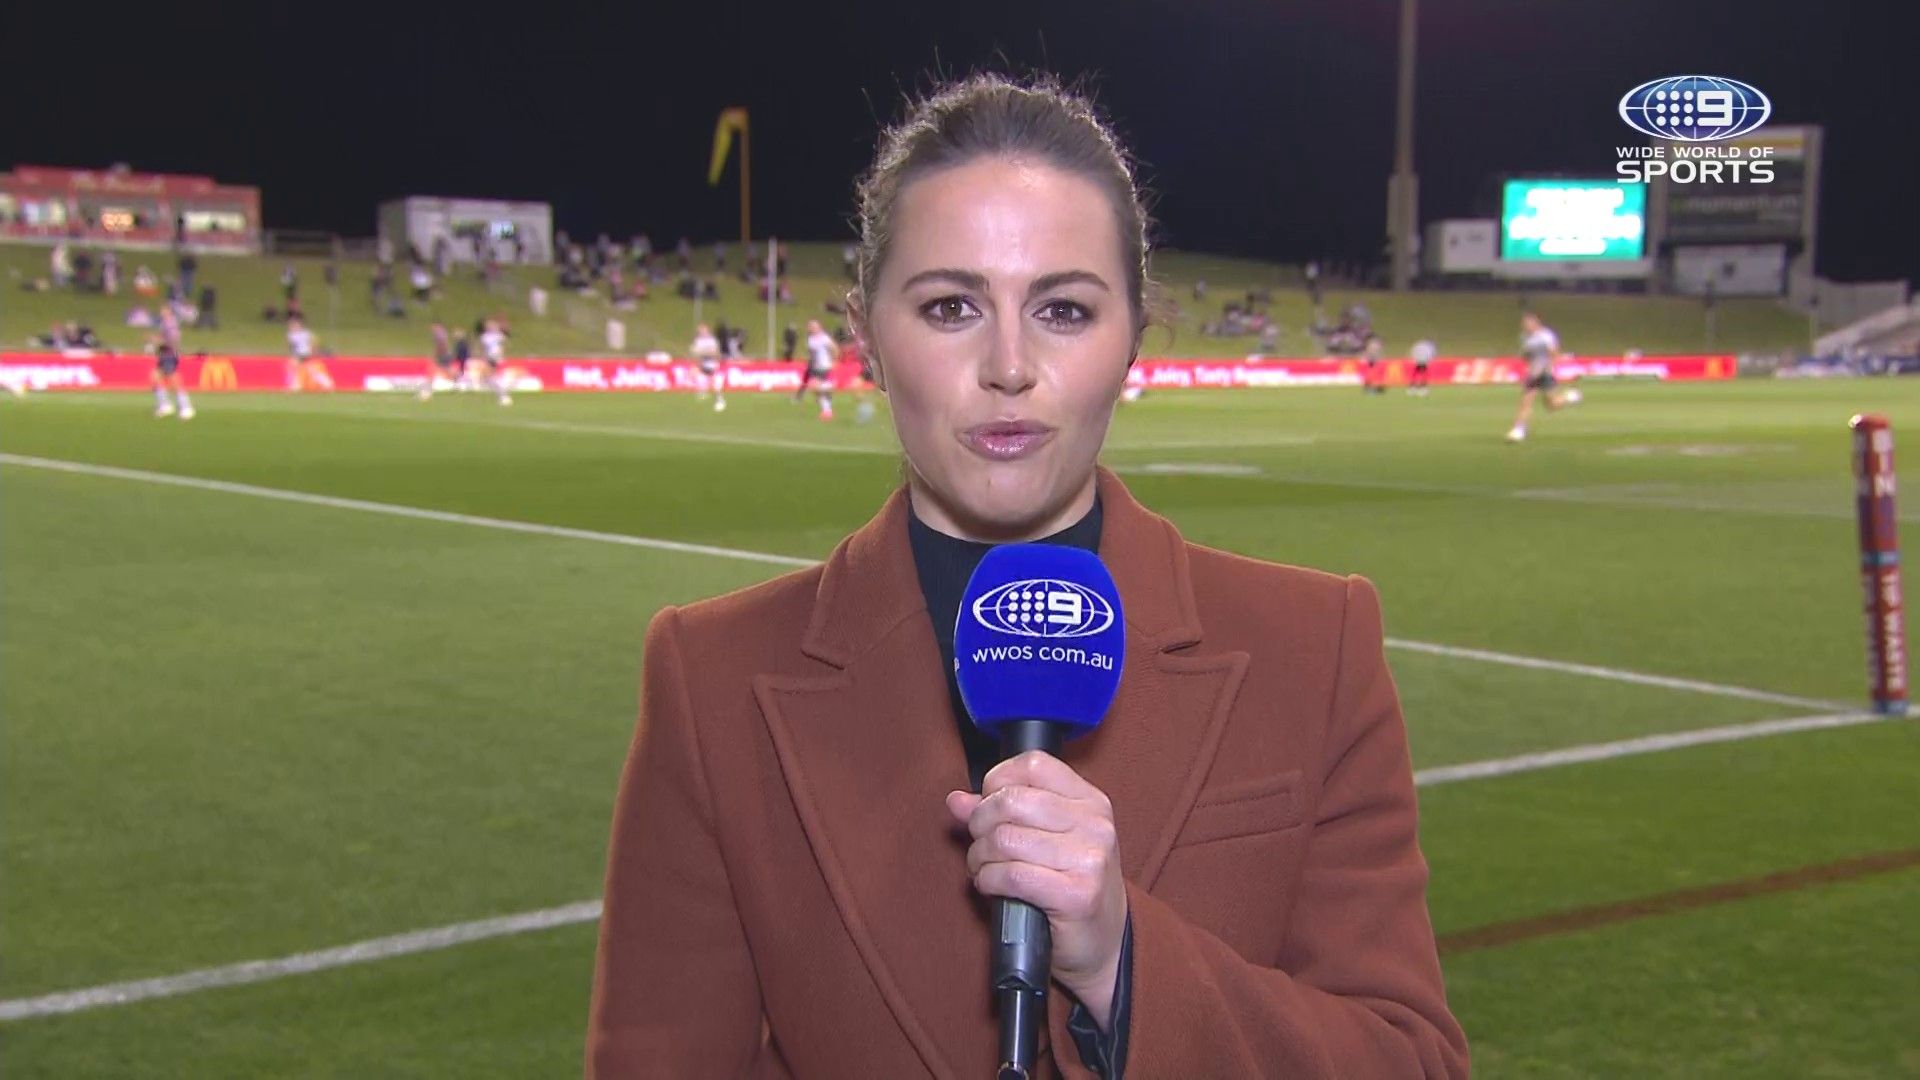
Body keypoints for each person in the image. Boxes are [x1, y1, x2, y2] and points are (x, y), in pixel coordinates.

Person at [587, 73, 1467, 1080]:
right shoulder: (708, 677)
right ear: (865, 334)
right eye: (951, 306)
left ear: (1136, 335)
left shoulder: (1316, 645)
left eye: (1063, 309)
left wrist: (1126, 967)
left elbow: (1410, 1062)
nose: (1009, 364)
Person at [1506, 312, 1583, 442]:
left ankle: (1569, 397)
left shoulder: (1546, 335)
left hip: (1546, 373)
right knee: (1526, 401)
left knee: (1552, 405)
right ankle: (1519, 429)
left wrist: (1548, 366)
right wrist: (1528, 364)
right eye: (1524, 324)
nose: (1526, 326)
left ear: (1536, 323)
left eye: (1528, 324)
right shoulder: (1524, 337)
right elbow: (1526, 355)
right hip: (1533, 373)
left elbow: (1554, 352)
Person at [799, 318, 837, 419]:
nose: (812, 328)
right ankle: (827, 409)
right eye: (810, 326)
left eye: (814, 326)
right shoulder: (810, 339)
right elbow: (812, 353)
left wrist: (834, 360)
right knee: (816, 389)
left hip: (824, 365)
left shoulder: (824, 338)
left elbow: (834, 348)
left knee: (815, 386)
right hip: (815, 366)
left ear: (819, 327)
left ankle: (827, 411)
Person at [150, 337, 194, 420]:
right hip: (165, 354)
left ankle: (185, 407)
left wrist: (157, 341)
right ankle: (165, 404)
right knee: (155, 377)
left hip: (169, 355)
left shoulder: (169, 330)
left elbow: (170, 341)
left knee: (173, 380)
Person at [286, 316, 333, 391]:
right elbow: (293, 347)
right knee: (296, 367)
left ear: (299, 325)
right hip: (300, 355)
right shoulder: (290, 335)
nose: (292, 327)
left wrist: (313, 351)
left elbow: (313, 343)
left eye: (294, 325)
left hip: (307, 354)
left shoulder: (306, 333)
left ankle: (326, 384)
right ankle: (295, 385)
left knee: (311, 369)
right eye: (291, 325)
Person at [479, 318, 512, 406]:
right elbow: (483, 348)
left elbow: (505, 342)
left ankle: (503, 395)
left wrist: (501, 354)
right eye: (489, 325)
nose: (490, 327)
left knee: (494, 376)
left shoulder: (498, 335)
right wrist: (483, 357)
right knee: (489, 377)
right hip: (489, 357)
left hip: (496, 357)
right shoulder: (484, 337)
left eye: (492, 325)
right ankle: (502, 394)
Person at [419, 322, 457, 400]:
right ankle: (455, 382)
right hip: (445, 355)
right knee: (446, 370)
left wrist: (435, 356)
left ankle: (427, 390)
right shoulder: (442, 334)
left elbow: (441, 346)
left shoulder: (439, 335)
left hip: (443, 356)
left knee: (433, 371)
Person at [691, 322, 724, 411]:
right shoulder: (698, 341)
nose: (702, 332)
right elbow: (696, 353)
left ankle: (719, 399)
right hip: (702, 363)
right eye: (700, 331)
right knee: (694, 373)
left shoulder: (712, 340)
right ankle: (703, 391)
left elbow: (714, 352)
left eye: (703, 330)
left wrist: (704, 353)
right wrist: (702, 354)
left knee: (715, 383)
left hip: (712, 364)